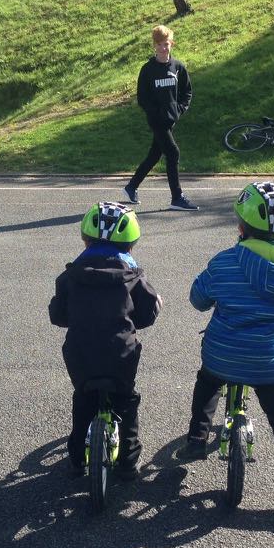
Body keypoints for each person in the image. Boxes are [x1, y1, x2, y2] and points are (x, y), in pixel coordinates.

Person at [178, 182, 274, 517]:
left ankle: (196, 439)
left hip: (222, 353)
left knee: (207, 382)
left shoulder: (225, 262)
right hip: (269, 362)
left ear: (241, 225)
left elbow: (198, 298)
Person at [49, 201, 162, 480]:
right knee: (126, 399)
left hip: (80, 352)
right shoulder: (134, 277)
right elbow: (146, 316)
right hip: (120, 352)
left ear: (85, 239)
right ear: (130, 244)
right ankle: (128, 460)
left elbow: (58, 315)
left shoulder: (70, 276)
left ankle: (76, 459)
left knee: (84, 398)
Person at [124, 24, 198, 212]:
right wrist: (155, 113)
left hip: (171, 119)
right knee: (173, 153)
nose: (164, 48)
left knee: (154, 155)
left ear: (171, 43)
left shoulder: (178, 67)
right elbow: (143, 98)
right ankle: (177, 197)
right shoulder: (148, 70)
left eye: (166, 44)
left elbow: (186, 92)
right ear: (154, 46)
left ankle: (131, 186)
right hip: (157, 121)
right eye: (160, 45)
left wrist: (179, 110)